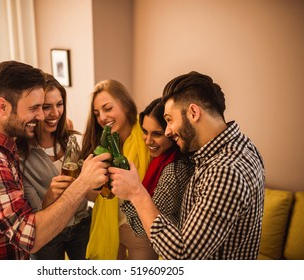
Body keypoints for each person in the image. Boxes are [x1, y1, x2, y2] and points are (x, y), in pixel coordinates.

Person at [0, 60, 110, 259]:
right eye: (35, 108)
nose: (40, 116)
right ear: (2, 106)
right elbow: (32, 238)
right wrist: (82, 182)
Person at [109, 71, 265, 259]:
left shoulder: (225, 171)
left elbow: (183, 255)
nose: (167, 131)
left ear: (193, 112)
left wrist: (136, 193)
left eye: (169, 120)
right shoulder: (243, 145)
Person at [16, 74, 91, 260]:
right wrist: (50, 195)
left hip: (81, 224)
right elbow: (33, 216)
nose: (55, 113)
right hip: (48, 236)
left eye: (59, 104)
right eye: (46, 107)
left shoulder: (71, 139)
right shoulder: (21, 155)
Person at [81, 79, 153, 260]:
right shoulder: (99, 146)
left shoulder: (148, 139)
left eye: (108, 108)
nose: (102, 117)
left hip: (140, 230)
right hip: (108, 227)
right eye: (97, 113)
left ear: (126, 106)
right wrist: (91, 184)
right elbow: (92, 197)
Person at [121, 98, 194, 241]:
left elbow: (141, 227)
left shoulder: (174, 170)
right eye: (145, 132)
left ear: (171, 132)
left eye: (157, 134)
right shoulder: (160, 159)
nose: (148, 141)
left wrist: (130, 193)